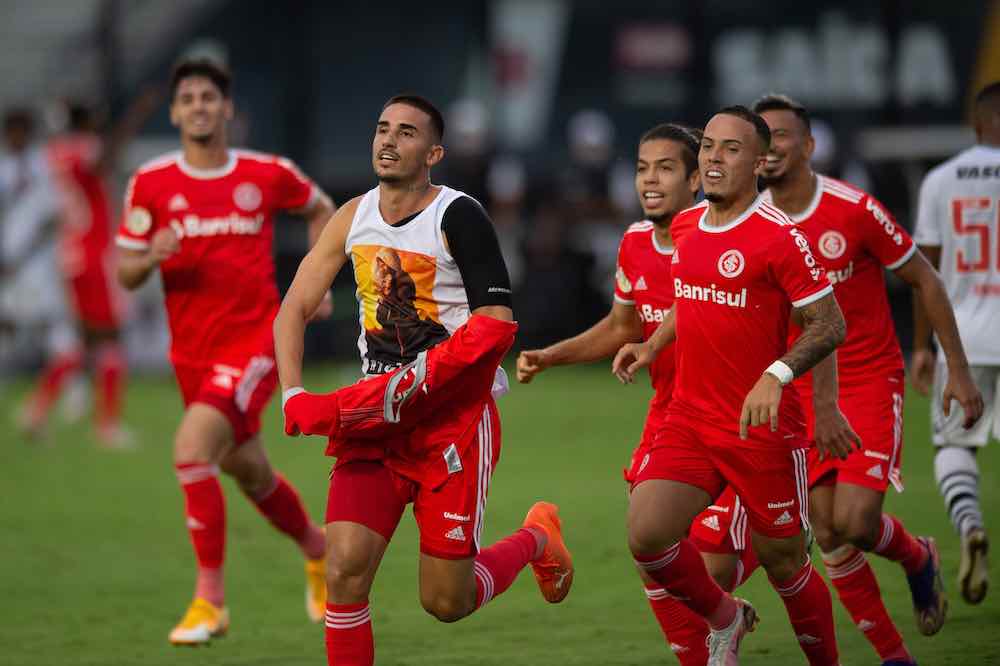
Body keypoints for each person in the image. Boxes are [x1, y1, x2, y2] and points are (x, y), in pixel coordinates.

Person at [273, 94, 573, 666]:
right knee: (343, 571)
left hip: (451, 426)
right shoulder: (352, 216)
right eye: (382, 128)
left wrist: (402, 389)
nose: (389, 140)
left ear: (433, 152)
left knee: (446, 602)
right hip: (376, 428)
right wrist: (292, 393)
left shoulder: (459, 216)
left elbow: (495, 327)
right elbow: (293, 308)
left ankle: (537, 537)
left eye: (406, 132)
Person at [613, 106, 849, 665]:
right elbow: (689, 299)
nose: (715, 158)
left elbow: (831, 323)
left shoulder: (781, 239)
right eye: (709, 146)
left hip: (761, 430)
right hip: (690, 421)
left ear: (760, 163)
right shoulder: (690, 226)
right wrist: (652, 345)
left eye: (731, 149)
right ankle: (726, 616)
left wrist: (777, 374)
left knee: (786, 561)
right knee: (647, 535)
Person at [516, 123, 758, 664]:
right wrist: (550, 356)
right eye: (642, 168)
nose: (649, 180)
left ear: (697, 179)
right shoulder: (634, 242)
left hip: (734, 415)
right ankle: (721, 632)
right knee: (652, 549)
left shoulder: (720, 235)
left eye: (666, 168)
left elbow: (711, 307)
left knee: (709, 564)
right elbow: (621, 325)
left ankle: (778, 539)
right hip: (670, 415)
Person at [754, 93, 983, 662]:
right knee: (826, 532)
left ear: (807, 146)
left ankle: (915, 556)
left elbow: (925, 279)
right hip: (799, 387)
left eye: (781, 135)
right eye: (762, 137)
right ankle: (894, 655)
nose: (770, 147)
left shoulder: (853, 209)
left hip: (867, 380)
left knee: (854, 521)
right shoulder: (753, 221)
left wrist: (954, 366)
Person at [115, 59, 334, 645]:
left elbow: (323, 208)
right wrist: (151, 254)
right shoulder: (152, 182)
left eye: (208, 96)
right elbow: (125, 272)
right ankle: (318, 551)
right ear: (175, 113)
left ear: (227, 108)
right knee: (247, 467)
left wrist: (317, 284)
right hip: (191, 355)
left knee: (191, 449)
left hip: (258, 339)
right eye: (187, 98)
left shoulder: (265, 173)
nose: (199, 106)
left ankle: (210, 602)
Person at [911, 80, 1000, 606]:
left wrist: (921, 346)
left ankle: (968, 523)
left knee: (953, 445)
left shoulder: (942, 180)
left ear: (975, 123)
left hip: (962, 339)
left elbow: (926, 271)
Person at [33, 92, 159, 446]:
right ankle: (107, 426)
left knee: (85, 340)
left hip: (71, 254)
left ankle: (37, 410)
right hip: (93, 254)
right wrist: (135, 117)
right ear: (85, 123)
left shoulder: (55, 153)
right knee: (111, 337)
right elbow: (103, 158)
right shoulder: (82, 149)